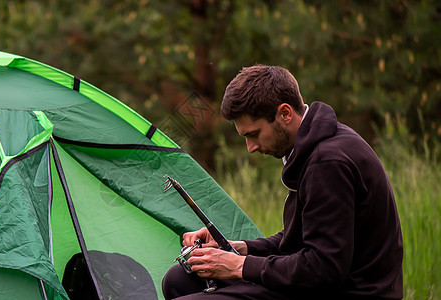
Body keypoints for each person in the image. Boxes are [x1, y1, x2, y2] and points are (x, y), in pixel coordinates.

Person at [162, 65, 403, 299]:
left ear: (285, 113)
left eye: (254, 134)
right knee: (179, 280)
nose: (251, 147)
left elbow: (325, 269)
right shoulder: (314, 147)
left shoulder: (327, 163)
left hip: (348, 290)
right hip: (319, 283)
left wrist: (239, 265)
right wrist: (240, 248)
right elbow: (300, 240)